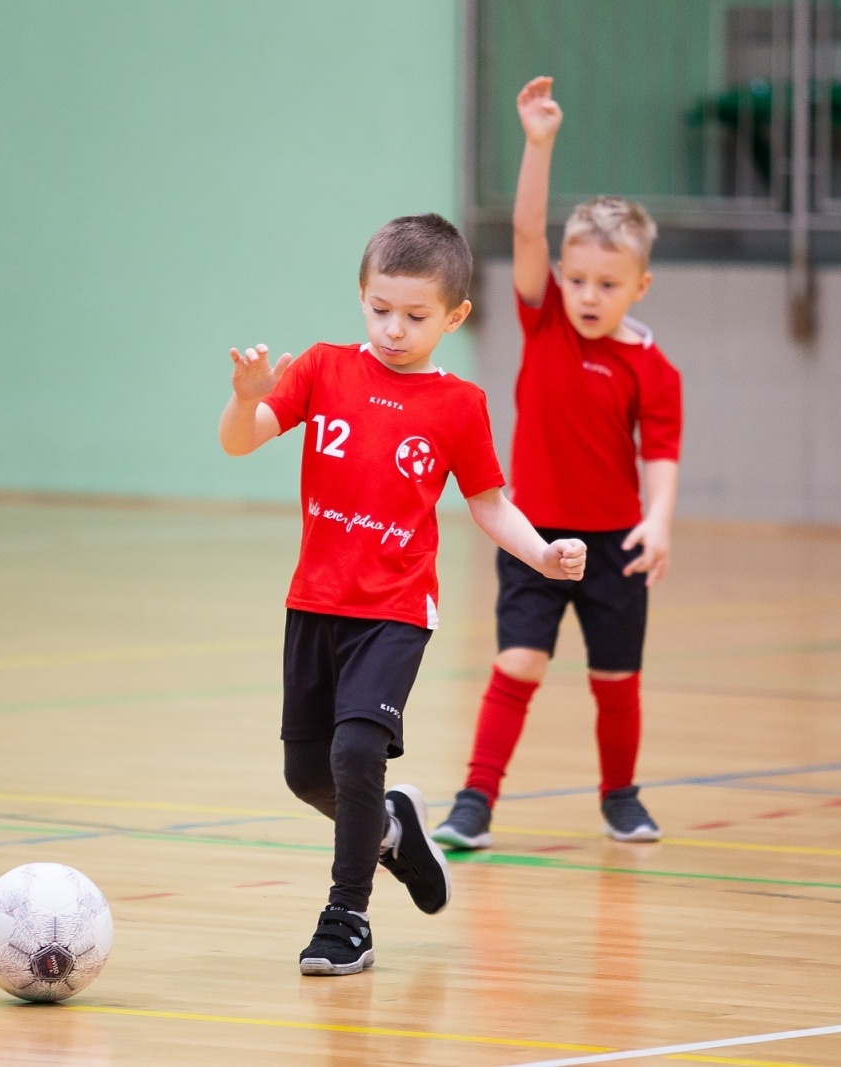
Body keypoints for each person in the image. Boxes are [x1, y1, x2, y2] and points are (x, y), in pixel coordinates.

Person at [219, 213, 586, 976]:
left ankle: (345, 917)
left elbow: (488, 503)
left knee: (357, 751)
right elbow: (241, 438)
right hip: (314, 602)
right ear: (361, 295)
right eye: (380, 309)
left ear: (454, 316)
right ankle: (391, 829)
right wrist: (243, 398)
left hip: (392, 609)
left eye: (416, 316)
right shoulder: (321, 367)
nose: (393, 328)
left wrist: (543, 552)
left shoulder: (457, 404)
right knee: (307, 774)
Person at [432, 77, 683, 851]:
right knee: (519, 661)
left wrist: (658, 520)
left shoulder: (653, 367)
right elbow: (528, 234)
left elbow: (662, 452)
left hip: (614, 546)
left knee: (615, 681)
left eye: (606, 284)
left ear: (638, 286)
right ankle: (475, 800)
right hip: (535, 537)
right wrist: (538, 144)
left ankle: (621, 797)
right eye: (577, 279)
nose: (585, 293)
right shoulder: (544, 325)